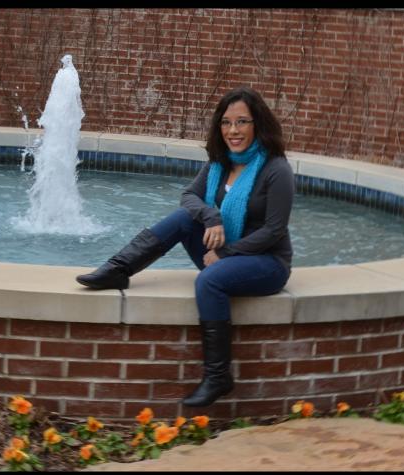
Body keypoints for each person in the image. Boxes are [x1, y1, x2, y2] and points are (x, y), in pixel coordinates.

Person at [76, 86, 295, 407]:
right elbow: (189, 197)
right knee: (183, 218)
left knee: (209, 280)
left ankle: (218, 376)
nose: (233, 131)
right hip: (220, 252)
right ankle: (119, 268)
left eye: (242, 122)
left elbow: (274, 231)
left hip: (266, 263)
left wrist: (224, 253)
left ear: (257, 124)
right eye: (226, 123)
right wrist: (212, 216)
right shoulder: (219, 163)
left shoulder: (276, 169)